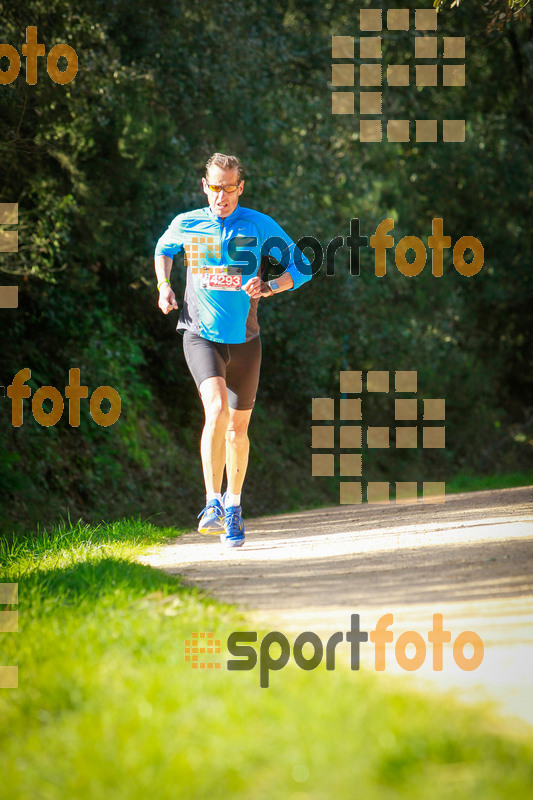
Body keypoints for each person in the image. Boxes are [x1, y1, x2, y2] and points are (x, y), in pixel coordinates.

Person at [154, 153, 311, 547]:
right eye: (214, 187)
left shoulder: (259, 225)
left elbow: (304, 265)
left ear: (240, 187)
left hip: (245, 341)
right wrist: (164, 285)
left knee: (238, 430)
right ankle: (212, 503)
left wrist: (271, 287)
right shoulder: (187, 222)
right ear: (204, 185)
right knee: (217, 410)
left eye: (228, 188)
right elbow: (164, 248)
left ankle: (234, 506)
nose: (220, 196)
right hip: (199, 333)